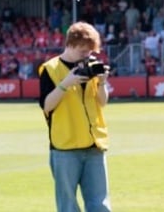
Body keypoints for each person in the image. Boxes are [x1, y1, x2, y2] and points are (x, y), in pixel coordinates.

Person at [38, 21, 111, 212]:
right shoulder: (50, 69)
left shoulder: (92, 65)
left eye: (90, 51)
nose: (87, 55)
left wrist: (103, 83)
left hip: (94, 145)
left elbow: (102, 102)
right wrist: (66, 83)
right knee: (68, 206)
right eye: (82, 51)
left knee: (100, 204)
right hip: (65, 148)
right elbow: (47, 106)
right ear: (70, 44)